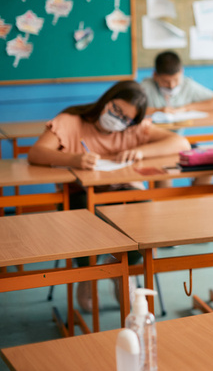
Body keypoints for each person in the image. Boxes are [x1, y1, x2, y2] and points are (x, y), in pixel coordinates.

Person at [28, 80, 191, 312]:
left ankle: (119, 269)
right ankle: (87, 275)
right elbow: (36, 153)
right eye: (116, 110)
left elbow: (181, 142)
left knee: (148, 220)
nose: (118, 119)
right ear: (107, 99)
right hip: (80, 193)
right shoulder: (70, 122)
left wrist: (140, 151)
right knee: (85, 222)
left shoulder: (133, 129)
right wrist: (74, 159)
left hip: (123, 189)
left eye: (126, 119)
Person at [141, 51, 213, 115]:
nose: (172, 86)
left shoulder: (187, 85)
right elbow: (131, 110)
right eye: (165, 82)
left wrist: (185, 108)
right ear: (155, 76)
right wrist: (157, 111)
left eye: (176, 80)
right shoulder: (145, 87)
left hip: (177, 136)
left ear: (182, 72)